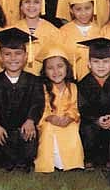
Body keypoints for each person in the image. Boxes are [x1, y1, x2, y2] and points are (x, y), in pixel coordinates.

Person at [0, 27, 45, 172]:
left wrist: (31, 120)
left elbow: (37, 103)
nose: (13, 58)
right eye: (7, 54)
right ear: (0, 57)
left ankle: (22, 162)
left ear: (26, 56)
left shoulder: (34, 81)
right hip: (1, 131)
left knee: (27, 152)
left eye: (18, 54)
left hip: (24, 130)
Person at [76, 37, 110, 169]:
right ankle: (89, 160)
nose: (101, 66)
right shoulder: (83, 84)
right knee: (86, 128)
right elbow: (83, 108)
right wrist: (96, 120)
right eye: (96, 62)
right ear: (89, 63)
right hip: (92, 122)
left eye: (105, 61)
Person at [34, 43, 85, 173]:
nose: (56, 72)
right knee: (49, 130)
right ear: (44, 71)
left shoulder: (73, 87)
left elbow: (74, 107)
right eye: (50, 68)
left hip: (68, 120)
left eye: (60, 66)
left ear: (67, 68)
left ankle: (72, 164)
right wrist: (51, 117)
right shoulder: (43, 88)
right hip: (48, 121)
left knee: (72, 129)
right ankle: (50, 164)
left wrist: (69, 117)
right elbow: (41, 108)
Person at [13, 0, 61, 75]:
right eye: (27, 2)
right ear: (21, 6)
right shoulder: (12, 30)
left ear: (42, 4)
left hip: (45, 78)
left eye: (36, 2)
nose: (31, 6)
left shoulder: (53, 31)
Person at [58, 0, 103, 80]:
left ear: (93, 7)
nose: (83, 13)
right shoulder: (63, 32)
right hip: (71, 79)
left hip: (96, 80)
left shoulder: (100, 31)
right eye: (78, 9)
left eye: (87, 8)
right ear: (71, 10)